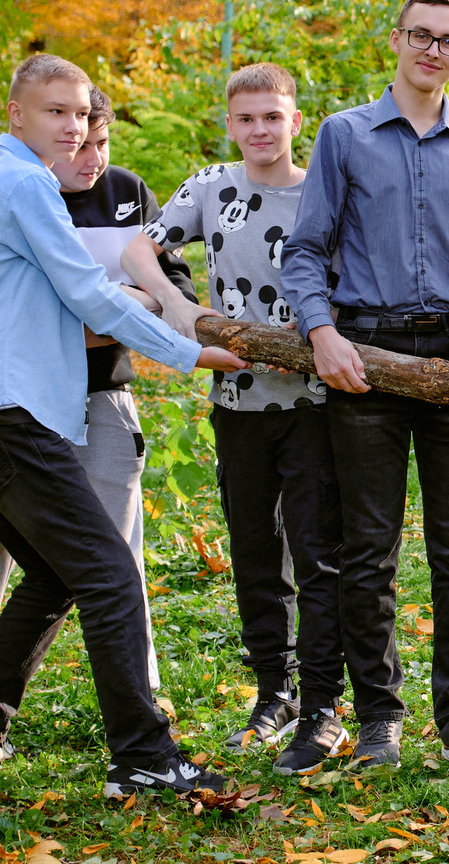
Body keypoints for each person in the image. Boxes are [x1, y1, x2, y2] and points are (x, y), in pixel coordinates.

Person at [0, 53, 248, 800]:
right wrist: (192, 353)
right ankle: (142, 754)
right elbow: (90, 298)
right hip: (1, 414)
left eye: (78, 112)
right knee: (108, 572)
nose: (71, 127)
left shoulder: (5, 183)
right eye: (53, 112)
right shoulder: (21, 184)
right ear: (16, 116)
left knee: (61, 573)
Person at [0, 87, 192, 751]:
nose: (86, 146)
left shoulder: (126, 196)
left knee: (97, 561)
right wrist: (165, 334)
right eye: (69, 124)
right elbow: (69, 308)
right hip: (11, 405)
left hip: (91, 398)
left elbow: (168, 294)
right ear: (21, 115)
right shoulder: (26, 189)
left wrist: (129, 309)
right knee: (26, 555)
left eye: (94, 132)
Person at [279, 0, 449, 774]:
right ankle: (380, 716)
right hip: (365, 361)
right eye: (422, 34)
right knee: (367, 549)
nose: (434, 50)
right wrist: (322, 335)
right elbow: (306, 250)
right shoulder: (344, 136)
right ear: (397, 39)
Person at [136, 64, 340, 757]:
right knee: (255, 555)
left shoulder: (323, 190)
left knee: (318, 555)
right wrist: (180, 308)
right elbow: (144, 247)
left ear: (295, 120)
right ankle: (272, 694)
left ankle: (322, 705)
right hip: (237, 401)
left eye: (272, 117)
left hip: (314, 404)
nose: (260, 130)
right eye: (246, 118)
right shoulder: (212, 185)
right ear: (231, 123)